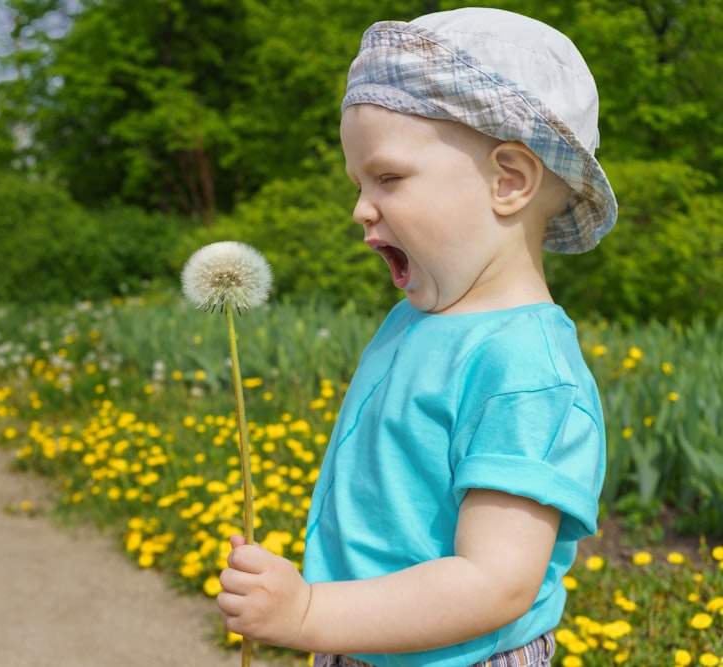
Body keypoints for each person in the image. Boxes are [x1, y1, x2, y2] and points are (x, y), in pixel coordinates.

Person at [216, 7, 616, 667]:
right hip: (365, 638)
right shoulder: (417, 316)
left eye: (389, 177)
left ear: (509, 180)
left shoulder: (526, 369)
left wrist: (311, 612)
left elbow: (494, 581)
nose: (360, 208)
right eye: (359, 183)